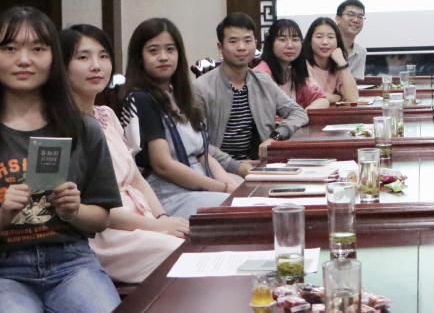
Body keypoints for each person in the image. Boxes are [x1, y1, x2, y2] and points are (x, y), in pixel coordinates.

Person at [0, 6, 122, 313]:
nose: (23, 60)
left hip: (72, 262)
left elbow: (101, 219)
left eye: (38, 49)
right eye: (9, 48)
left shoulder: (84, 129)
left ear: (54, 58)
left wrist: (73, 210)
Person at [61, 24, 187, 284]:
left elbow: (136, 179)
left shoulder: (106, 115)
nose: (96, 66)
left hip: (141, 219)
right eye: (83, 57)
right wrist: (157, 227)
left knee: (194, 240)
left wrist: (162, 218)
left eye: (103, 56)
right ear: (62, 67)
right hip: (106, 234)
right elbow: (95, 207)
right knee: (182, 254)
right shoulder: (63, 126)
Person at [119, 17, 235, 218]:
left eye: (170, 50)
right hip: (168, 194)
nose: (163, 57)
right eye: (153, 51)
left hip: (200, 184)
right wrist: (222, 188)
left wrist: (228, 184)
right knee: (240, 207)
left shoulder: (179, 95)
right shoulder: (141, 98)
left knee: (252, 194)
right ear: (139, 58)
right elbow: (163, 165)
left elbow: (202, 154)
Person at [194, 13, 310, 172]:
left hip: (261, 164)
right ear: (220, 47)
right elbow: (197, 142)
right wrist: (236, 166)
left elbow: (298, 113)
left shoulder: (263, 81)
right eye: (233, 41)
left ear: (255, 44)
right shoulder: (201, 88)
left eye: (247, 41)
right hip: (220, 170)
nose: (241, 47)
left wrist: (276, 136)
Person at [255, 18, 330, 110]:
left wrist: (303, 114)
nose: (290, 45)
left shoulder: (292, 72)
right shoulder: (261, 74)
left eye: (295, 39)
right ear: (270, 43)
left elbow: (322, 99)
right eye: (282, 40)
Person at [303, 17, 360, 104]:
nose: (325, 42)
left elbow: (353, 98)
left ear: (337, 41)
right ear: (310, 40)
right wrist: (338, 97)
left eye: (330, 37)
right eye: (319, 37)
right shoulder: (303, 64)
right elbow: (312, 95)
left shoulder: (336, 66)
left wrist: (342, 63)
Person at [335, 0, 367, 78]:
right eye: (351, 15)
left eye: (360, 17)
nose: (356, 20)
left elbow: (353, 83)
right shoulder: (326, 46)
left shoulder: (361, 51)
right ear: (338, 19)